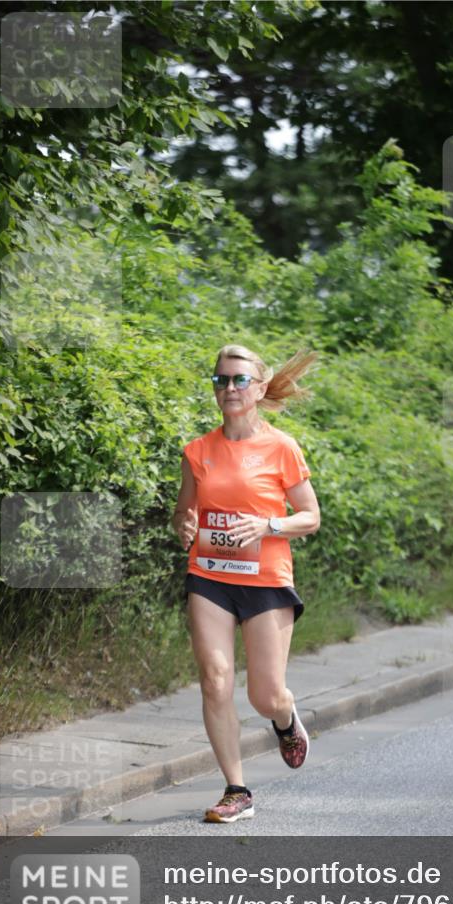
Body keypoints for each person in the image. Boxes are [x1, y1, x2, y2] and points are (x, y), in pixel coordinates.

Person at [171, 344, 321, 822]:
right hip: (210, 575)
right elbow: (184, 511)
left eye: (239, 380)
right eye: (221, 380)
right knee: (215, 680)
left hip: (265, 579)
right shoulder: (198, 451)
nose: (229, 388)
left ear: (258, 388)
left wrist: (268, 526)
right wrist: (185, 525)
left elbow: (311, 517)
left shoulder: (282, 447)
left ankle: (284, 716)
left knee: (264, 694)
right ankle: (236, 789)